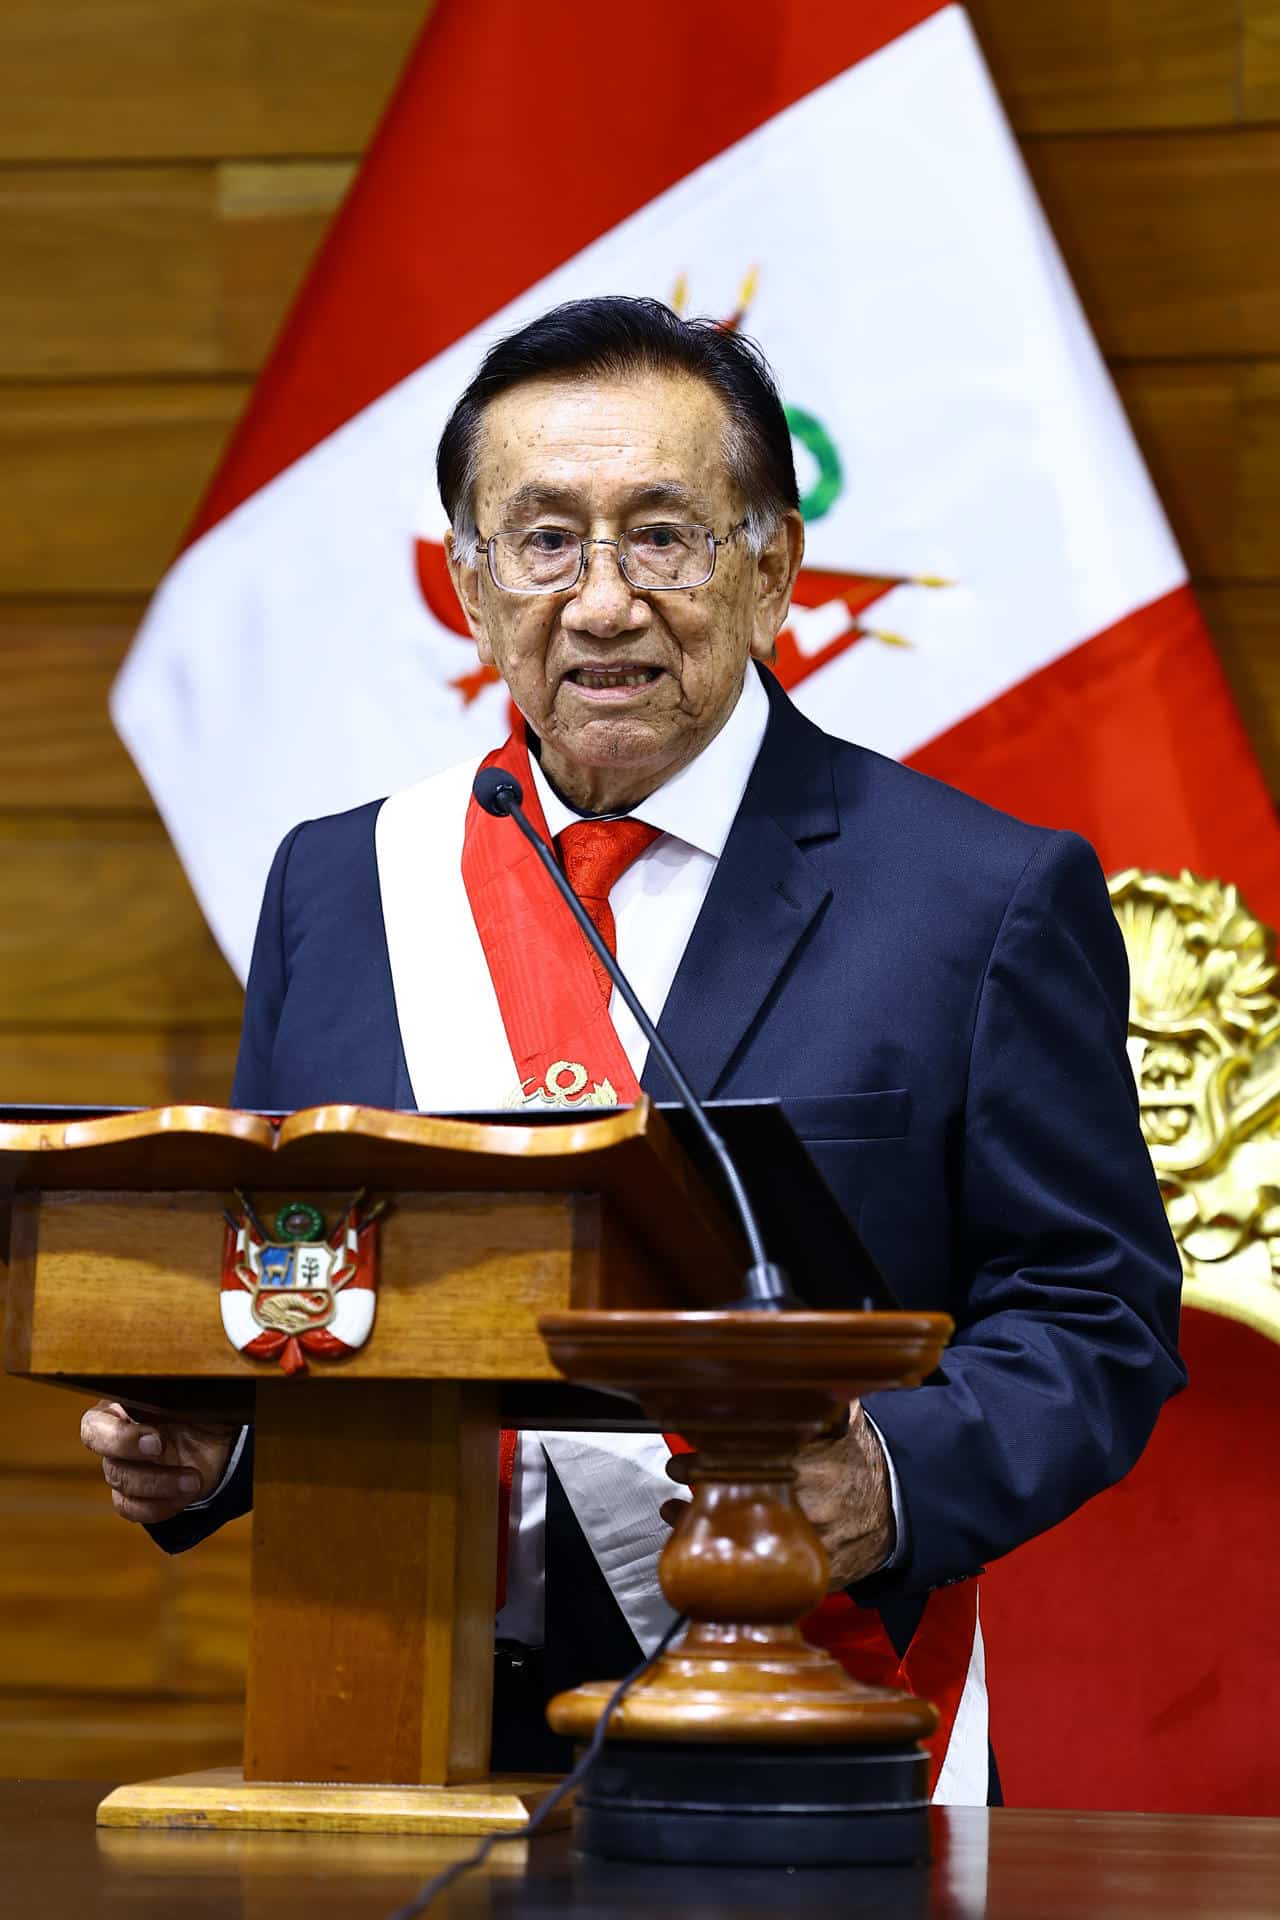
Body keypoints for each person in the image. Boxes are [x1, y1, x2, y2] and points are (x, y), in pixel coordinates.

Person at [81, 295, 1184, 1803]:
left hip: (811, 1708)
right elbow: (309, 1277)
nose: (600, 601)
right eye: (543, 541)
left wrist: (888, 1480)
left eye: (661, 535)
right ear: (470, 586)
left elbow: (1096, 1311)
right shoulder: (345, 889)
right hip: (407, 1714)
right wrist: (219, 1455)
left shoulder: (976, 898)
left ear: (773, 568)